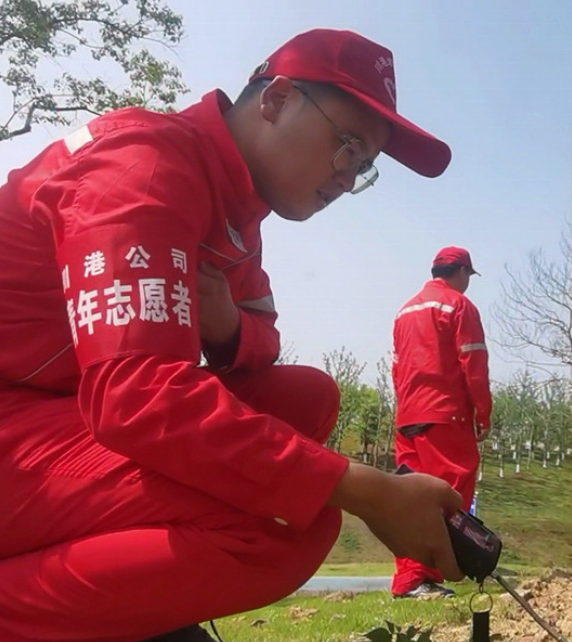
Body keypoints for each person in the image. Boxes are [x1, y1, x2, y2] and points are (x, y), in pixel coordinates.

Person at [0, 28, 465, 642]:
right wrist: (366, 490)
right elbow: (135, 396)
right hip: (24, 422)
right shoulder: (144, 166)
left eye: (366, 167)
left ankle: (119, 603)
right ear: (276, 100)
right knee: (280, 532)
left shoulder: (235, 207)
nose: (348, 179)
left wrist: (224, 325)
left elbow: (262, 341)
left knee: (309, 398)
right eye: (347, 147)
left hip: (53, 415)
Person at [390, 246, 493, 598]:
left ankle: (408, 578)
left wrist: (406, 408)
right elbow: (473, 362)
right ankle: (426, 574)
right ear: (462, 272)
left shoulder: (405, 310)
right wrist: (483, 412)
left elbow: (396, 367)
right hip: (446, 414)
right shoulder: (460, 306)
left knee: (409, 497)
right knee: (447, 496)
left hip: (409, 416)